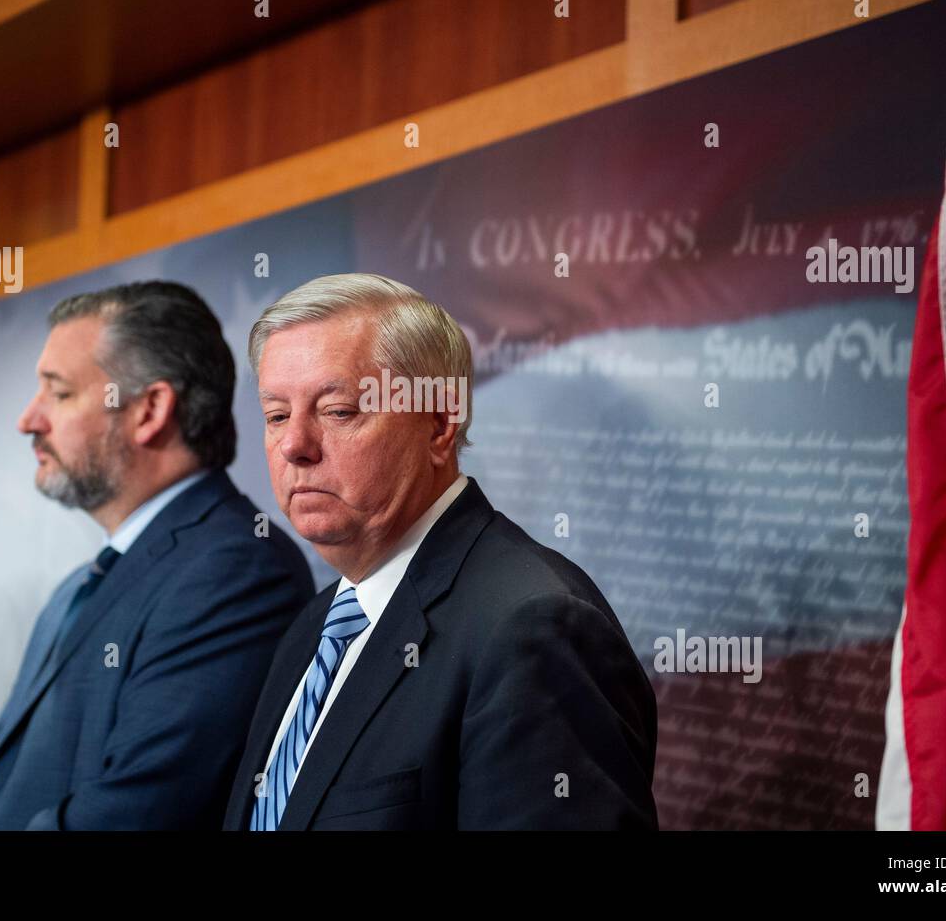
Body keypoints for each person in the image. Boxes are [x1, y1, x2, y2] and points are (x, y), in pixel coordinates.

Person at [224, 273, 658, 830]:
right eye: (277, 415)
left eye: (337, 410)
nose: (294, 446)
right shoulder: (316, 624)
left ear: (438, 424)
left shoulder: (535, 626)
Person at [0, 281, 314, 830]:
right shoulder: (76, 588)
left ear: (149, 410)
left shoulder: (238, 570)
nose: (28, 420)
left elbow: (137, 811)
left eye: (59, 393)